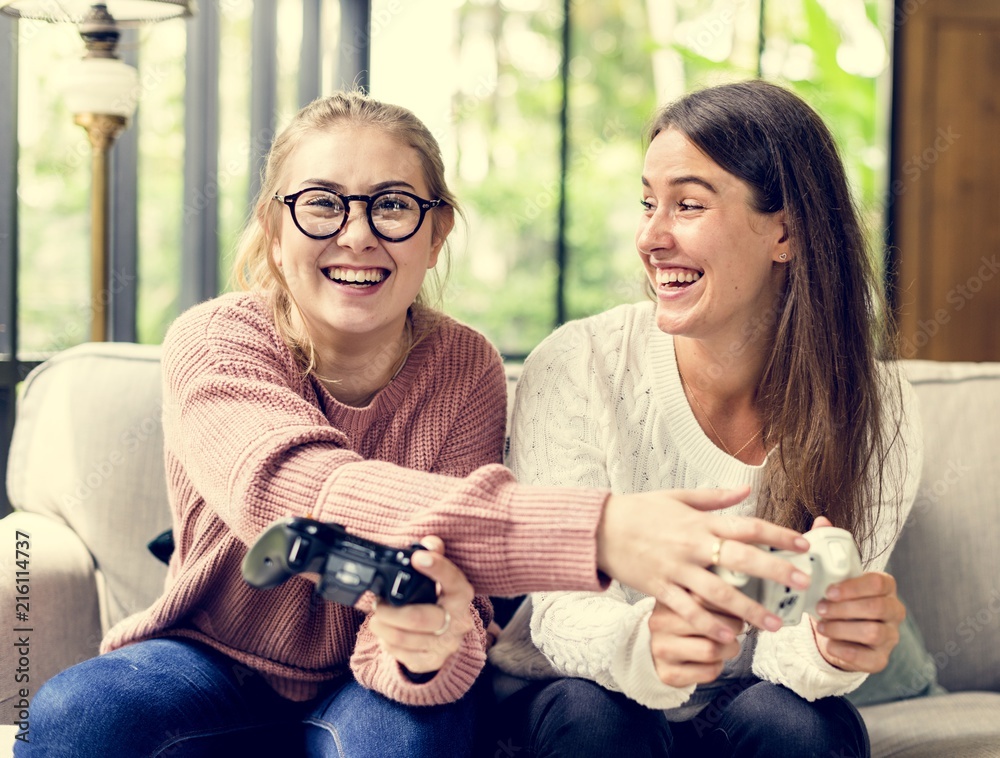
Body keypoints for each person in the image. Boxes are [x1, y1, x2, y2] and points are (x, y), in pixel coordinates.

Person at [19, 90, 813, 758]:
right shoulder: (218, 340)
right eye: (322, 203)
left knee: (407, 739)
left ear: (437, 234)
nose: (357, 232)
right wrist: (598, 532)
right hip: (211, 658)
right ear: (273, 226)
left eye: (393, 206)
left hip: (374, 677)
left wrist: (422, 650)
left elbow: (459, 599)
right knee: (79, 715)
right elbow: (294, 489)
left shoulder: (464, 367)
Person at [488, 79, 923, 757]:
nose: (650, 237)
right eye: (647, 204)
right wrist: (649, 646)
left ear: (785, 232)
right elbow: (561, 615)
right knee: (600, 719)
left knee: (804, 729)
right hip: (576, 688)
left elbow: (797, 656)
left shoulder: (875, 410)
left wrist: (837, 648)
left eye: (687, 205)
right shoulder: (581, 363)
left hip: (746, 699)